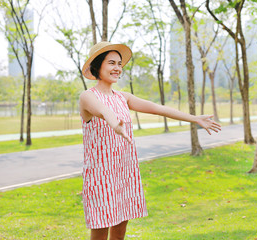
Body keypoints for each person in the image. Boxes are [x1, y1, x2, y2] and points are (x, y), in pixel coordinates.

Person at [79, 41, 221, 240]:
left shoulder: (123, 97)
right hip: (101, 176)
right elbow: (103, 111)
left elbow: (159, 108)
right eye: (111, 63)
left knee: (119, 234)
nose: (117, 68)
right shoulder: (87, 96)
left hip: (124, 171)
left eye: (119, 64)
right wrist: (115, 124)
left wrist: (194, 118)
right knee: (100, 233)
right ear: (97, 65)